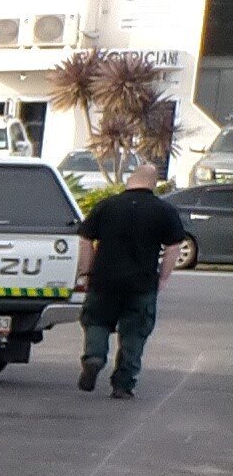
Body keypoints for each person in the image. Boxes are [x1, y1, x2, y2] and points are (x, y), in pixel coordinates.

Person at [74, 163, 189, 399]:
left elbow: (85, 239)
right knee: (135, 333)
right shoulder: (163, 210)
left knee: (96, 321)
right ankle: (123, 384)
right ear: (153, 183)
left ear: (130, 180)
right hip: (142, 282)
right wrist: (163, 277)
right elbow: (173, 247)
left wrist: (86, 271)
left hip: (104, 280)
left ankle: (94, 357)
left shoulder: (107, 206)